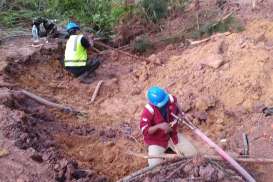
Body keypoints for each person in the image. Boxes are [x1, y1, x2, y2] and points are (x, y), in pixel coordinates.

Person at [140, 86, 198, 167]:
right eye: (161, 104)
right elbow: (145, 131)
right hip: (157, 141)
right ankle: (168, 153)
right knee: (154, 166)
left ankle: (171, 152)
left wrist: (183, 114)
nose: (164, 104)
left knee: (193, 154)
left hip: (173, 136)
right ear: (153, 103)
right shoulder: (148, 111)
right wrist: (159, 126)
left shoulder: (169, 99)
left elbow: (176, 103)